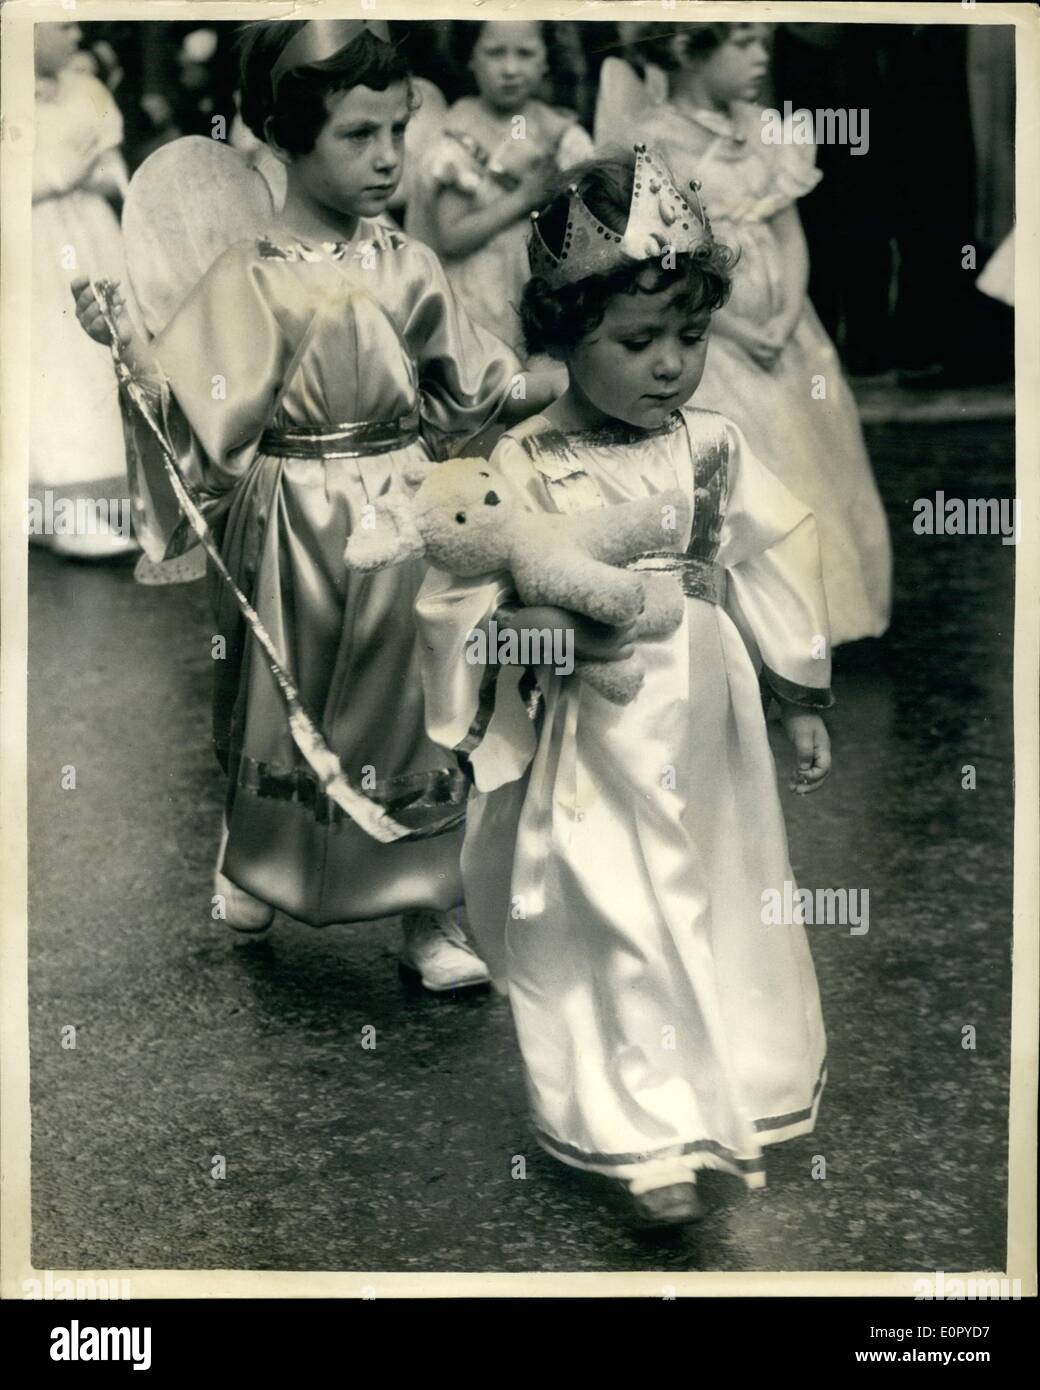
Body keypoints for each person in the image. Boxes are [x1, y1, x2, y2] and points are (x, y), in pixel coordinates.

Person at [72, 19, 558, 990]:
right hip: (288, 514)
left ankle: (428, 909)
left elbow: (467, 385)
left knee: (419, 705)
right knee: (272, 694)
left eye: (398, 130)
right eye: (358, 135)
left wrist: (544, 384)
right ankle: (258, 849)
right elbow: (193, 404)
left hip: (407, 507)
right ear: (287, 138)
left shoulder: (409, 264)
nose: (389, 158)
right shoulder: (249, 272)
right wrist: (128, 346)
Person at [416, 150, 833, 1226]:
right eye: (637, 341)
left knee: (717, 892)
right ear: (563, 336)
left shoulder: (712, 449)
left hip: (707, 707)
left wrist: (797, 691)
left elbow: (767, 559)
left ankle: (723, 1085)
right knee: (611, 901)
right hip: (592, 720)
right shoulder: (524, 462)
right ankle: (640, 1130)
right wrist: (495, 669)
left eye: (687, 339)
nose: (670, 367)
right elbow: (459, 587)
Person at [627, 22, 891, 646]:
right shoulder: (656, 141)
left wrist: (789, 310)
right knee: (753, 458)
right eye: (741, 44)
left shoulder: (769, 128)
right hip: (715, 327)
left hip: (785, 329)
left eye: (761, 43)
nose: (759, 58)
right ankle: (746, 625)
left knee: (814, 455)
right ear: (690, 50)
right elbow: (667, 259)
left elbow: (791, 231)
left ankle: (820, 615)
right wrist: (738, 327)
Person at [405, 19, 593, 358]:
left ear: (545, 58)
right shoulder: (456, 137)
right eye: (495, 53)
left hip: (535, 286)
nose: (510, 69)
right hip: (479, 290)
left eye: (525, 53)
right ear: (471, 58)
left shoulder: (560, 132)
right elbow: (451, 237)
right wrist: (523, 197)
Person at [32, 19, 135, 559]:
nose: (75, 36)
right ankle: (54, 506)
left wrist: (95, 176)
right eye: (63, 23)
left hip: (87, 233)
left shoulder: (87, 90)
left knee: (96, 352)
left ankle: (116, 499)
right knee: (46, 358)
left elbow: (113, 169)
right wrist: (53, 176)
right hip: (29, 238)